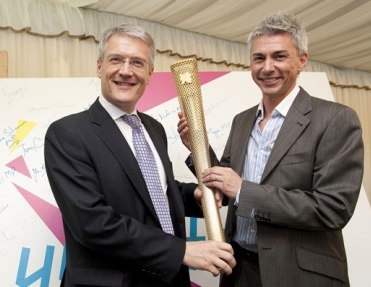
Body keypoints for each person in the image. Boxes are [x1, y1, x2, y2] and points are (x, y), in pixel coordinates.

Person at [177, 12, 364, 287]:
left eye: (279, 56)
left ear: (302, 60)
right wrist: (199, 148)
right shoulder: (242, 121)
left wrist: (243, 190)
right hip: (240, 273)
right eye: (259, 58)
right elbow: (226, 188)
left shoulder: (336, 119)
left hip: (300, 276)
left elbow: (333, 208)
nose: (267, 67)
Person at [44, 24, 236, 287]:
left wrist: (193, 196)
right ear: (99, 66)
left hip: (168, 279)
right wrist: (181, 251)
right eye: (116, 60)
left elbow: (153, 192)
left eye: (137, 62)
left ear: (149, 73)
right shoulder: (68, 133)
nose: (126, 71)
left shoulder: (153, 128)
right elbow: (92, 223)